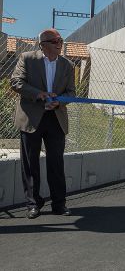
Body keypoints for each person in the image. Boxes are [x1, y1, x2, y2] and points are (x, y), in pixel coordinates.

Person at [11, 28, 75, 219]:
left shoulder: (67, 65)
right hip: (31, 118)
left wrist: (60, 101)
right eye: (56, 40)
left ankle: (59, 204)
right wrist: (38, 94)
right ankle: (33, 204)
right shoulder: (27, 58)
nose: (60, 43)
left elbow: (71, 92)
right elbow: (16, 82)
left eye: (61, 40)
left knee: (56, 163)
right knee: (30, 164)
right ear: (44, 44)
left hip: (56, 119)